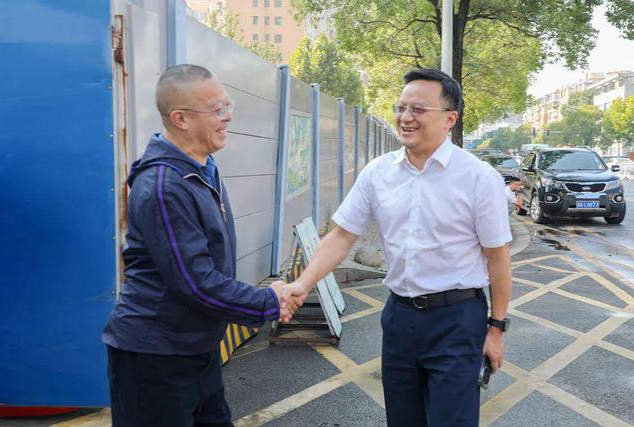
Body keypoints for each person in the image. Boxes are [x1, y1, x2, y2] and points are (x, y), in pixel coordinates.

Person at [279, 69, 512, 426]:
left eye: (418, 109)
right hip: (400, 318)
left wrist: (495, 329)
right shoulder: (378, 172)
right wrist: (302, 284)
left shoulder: (478, 177)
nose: (405, 117)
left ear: (450, 118)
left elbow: (498, 258)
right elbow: (342, 235)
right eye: (400, 107)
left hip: (457, 320)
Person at [102, 64, 301, 427]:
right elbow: (195, 282)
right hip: (155, 356)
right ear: (180, 118)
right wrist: (268, 301)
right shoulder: (164, 185)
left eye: (228, 106)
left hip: (195, 348)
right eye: (216, 110)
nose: (227, 118)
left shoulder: (202, 166)